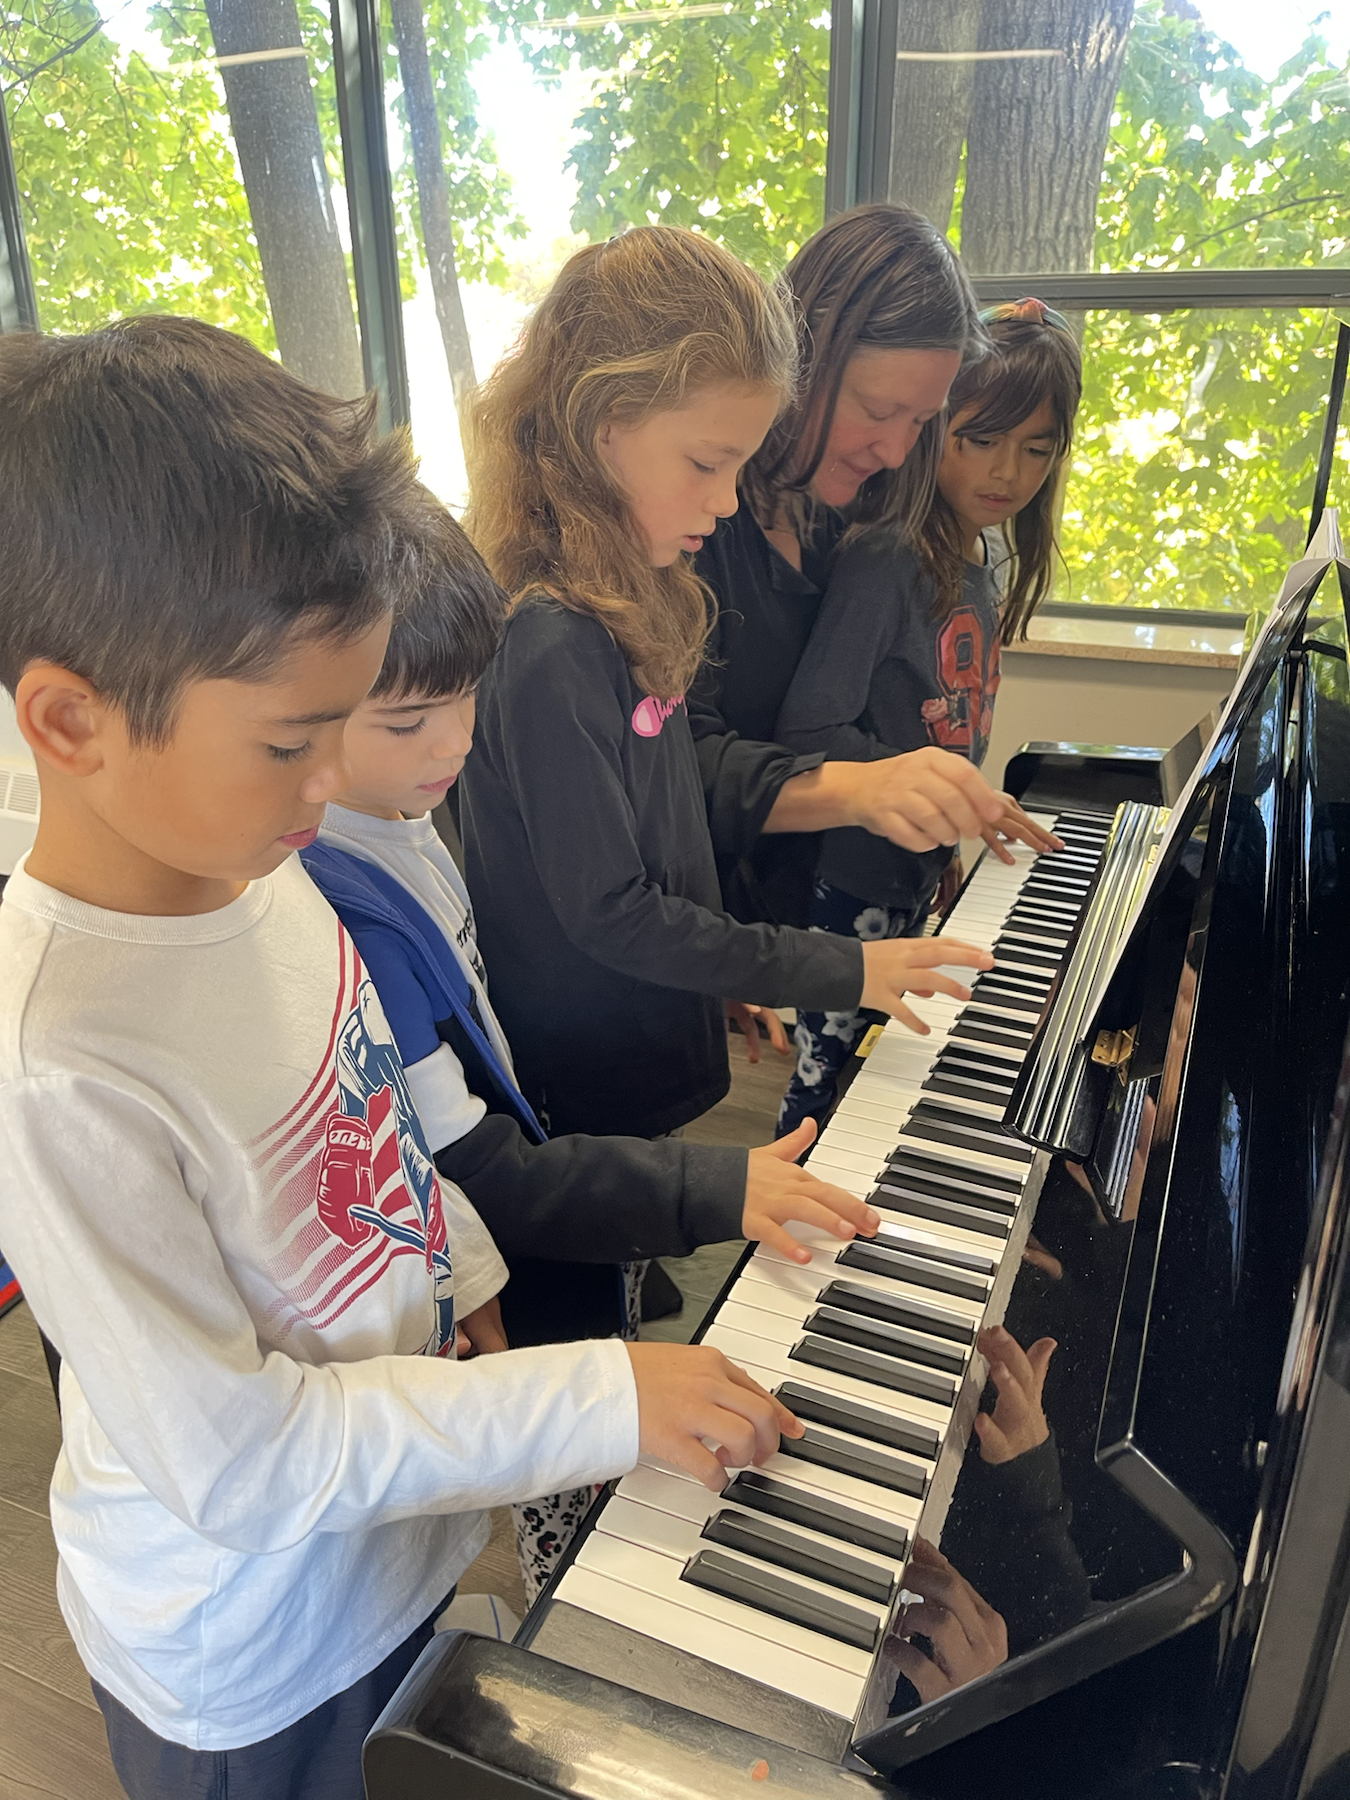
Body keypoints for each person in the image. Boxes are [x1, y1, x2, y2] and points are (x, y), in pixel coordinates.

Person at [0, 317, 801, 1800]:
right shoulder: (59, 1064)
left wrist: (470, 1264)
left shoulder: (267, 865)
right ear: (70, 719)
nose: (341, 788)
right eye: (296, 739)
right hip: (246, 1653)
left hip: (395, 1537)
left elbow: (370, 1117)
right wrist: (599, 1391)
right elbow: (235, 1463)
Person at [299, 503, 880, 1598]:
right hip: (484, 1251)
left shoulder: (403, 820)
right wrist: (715, 1185)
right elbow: (476, 1173)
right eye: (408, 718)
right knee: (577, 1516)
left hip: (525, 1192)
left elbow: (486, 993)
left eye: (464, 697)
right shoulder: (346, 909)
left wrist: (700, 997)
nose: (456, 742)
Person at [460, 225, 993, 1159]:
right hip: (582, 1073)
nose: (729, 499)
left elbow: (660, 832)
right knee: (596, 1282)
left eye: (741, 468)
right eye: (709, 465)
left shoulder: (648, 588)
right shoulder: (551, 640)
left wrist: (712, 970)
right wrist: (840, 965)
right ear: (603, 424)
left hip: (654, 1031)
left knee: (632, 1268)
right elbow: (609, 908)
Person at [690, 204, 1058, 933]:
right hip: (704, 921)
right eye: (878, 409)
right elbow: (675, 772)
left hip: (797, 915)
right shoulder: (697, 525)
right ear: (804, 357)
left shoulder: (854, 511)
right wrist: (871, 788)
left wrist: (927, 811)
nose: (895, 451)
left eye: (921, 422)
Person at [770, 298, 1083, 1130]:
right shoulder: (886, 556)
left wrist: (962, 815)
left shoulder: (978, 555)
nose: (1007, 473)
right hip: (849, 886)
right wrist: (930, 790)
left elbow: (938, 722)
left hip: (913, 870)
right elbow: (808, 733)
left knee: (883, 1078)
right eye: (980, 439)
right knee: (824, 1093)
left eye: (1036, 450)